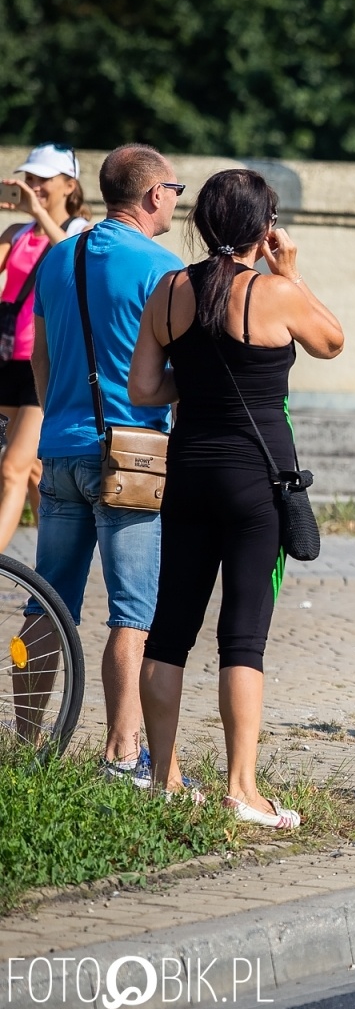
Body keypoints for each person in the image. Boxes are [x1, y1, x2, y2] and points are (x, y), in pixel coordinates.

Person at [129, 170, 344, 822]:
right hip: (257, 480)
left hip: (188, 471)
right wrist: (294, 272)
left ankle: (163, 777)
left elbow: (143, 389)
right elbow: (332, 342)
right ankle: (241, 790)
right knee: (242, 639)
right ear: (264, 227)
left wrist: (194, 383)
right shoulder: (276, 293)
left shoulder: (169, 291)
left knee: (169, 630)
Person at [20, 144, 181, 777]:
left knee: (44, 603)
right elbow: (175, 367)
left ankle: (25, 745)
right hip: (132, 455)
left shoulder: (58, 257)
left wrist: (56, 413)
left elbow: (38, 355)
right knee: (131, 611)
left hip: (58, 449)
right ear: (149, 196)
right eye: (173, 188)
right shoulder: (160, 268)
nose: (175, 198)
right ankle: (123, 754)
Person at [0, 145, 91, 556]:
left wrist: (39, 215)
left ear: (69, 185)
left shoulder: (81, 231)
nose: (33, 186)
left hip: (46, 364)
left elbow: (72, 261)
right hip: (6, 361)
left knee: (12, 468)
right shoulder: (15, 234)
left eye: (43, 179)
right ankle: (49, 568)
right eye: (29, 179)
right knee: (34, 471)